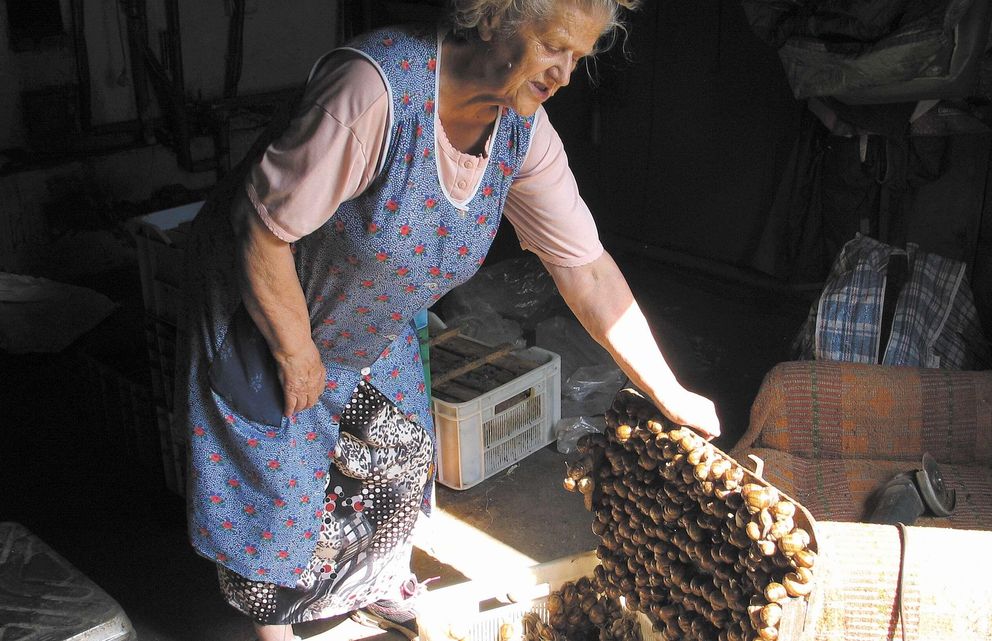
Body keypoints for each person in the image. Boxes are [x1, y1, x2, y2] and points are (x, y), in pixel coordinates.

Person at [176, 0, 721, 639]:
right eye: (553, 47)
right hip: (271, 307)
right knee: (273, 500)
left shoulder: (523, 131)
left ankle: (359, 596)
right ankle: (281, 626)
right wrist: (297, 356)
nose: (565, 75)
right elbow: (259, 231)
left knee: (400, 458)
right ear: (491, 16)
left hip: (369, 317)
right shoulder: (371, 94)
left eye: (579, 57)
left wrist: (667, 388)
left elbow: (586, 269)